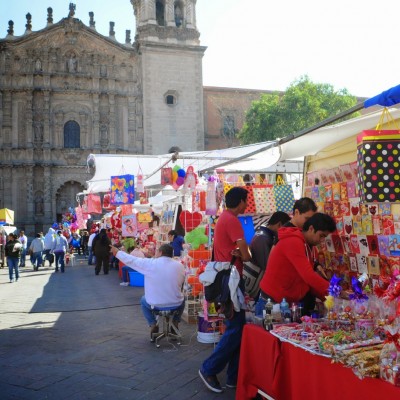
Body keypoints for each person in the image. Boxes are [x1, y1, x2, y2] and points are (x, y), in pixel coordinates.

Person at [199, 187, 252, 394]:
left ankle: (233, 377)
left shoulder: (224, 219)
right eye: (245, 201)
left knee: (236, 327)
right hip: (231, 280)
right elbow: (246, 256)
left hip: (227, 278)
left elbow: (238, 251)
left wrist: (239, 252)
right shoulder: (232, 221)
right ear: (239, 201)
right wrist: (242, 252)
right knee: (236, 328)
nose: (246, 205)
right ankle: (209, 368)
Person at [260, 213, 336, 314]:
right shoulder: (293, 241)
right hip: (273, 301)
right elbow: (308, 275)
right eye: (321, 235)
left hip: (287, 302)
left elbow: (307, 281)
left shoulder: (309, 247)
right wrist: (334, 290)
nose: (322, 240)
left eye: (324, 237)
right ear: (311, 228)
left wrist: (327, 298)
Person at [111, 243, 185, 338]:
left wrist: (118, 253)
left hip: (155, 304)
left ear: (160, 252)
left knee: (143, 300)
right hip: (175, 304)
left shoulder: (150, 263)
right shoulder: (180, 266)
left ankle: (153, 324)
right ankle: (175, 322)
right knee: (183, 299)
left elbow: (132, 260)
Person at [249, 211, 290, 300]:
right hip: (259, 286)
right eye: (284, 228)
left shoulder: (263, 233)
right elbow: (268, 266)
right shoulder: (263, 238)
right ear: (279, 225)